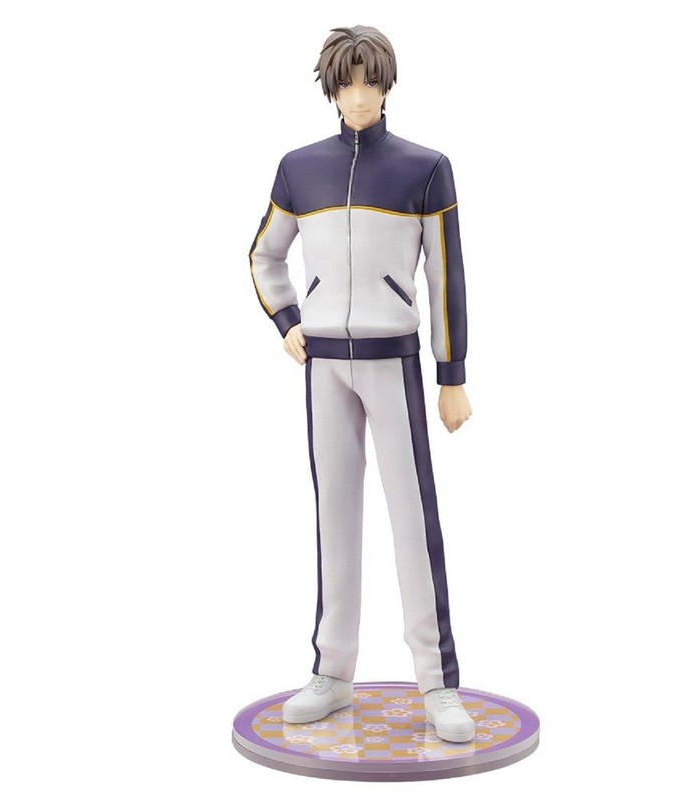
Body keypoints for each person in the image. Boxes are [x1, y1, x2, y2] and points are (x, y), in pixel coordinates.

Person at [248, 25, 474, 743]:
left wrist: (451, 375)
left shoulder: (425, 169)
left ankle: (438, 683)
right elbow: (264, 255)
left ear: (386, 84)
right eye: (346, 83)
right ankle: (332, 672)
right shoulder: (299, 169)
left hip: (392, 363)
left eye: (369, 81)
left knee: (413, 519)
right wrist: (288, 321)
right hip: (323, 368)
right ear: (330, 88)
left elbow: (446, 276)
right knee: (334, 518)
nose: (358, 95)